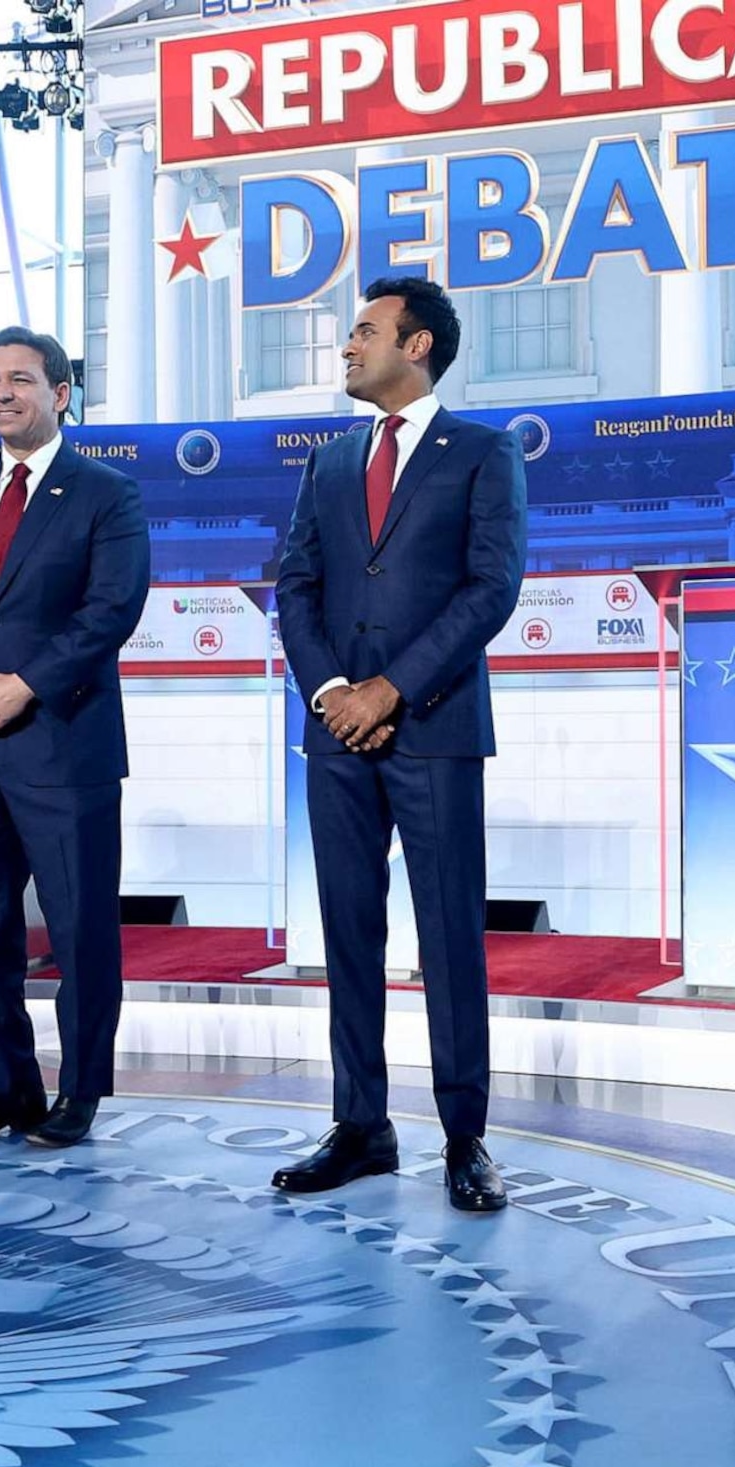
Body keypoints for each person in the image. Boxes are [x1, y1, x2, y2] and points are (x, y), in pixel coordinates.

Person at [268, 277, 527, 1214]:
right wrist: (334, 690)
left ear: (416, 346)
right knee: (348, 931)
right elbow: (293, 585)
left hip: (436, 728)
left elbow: (490, 590)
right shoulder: (329, 463)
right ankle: (360, 1125)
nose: (347, 347)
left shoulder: (484, 454)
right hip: (336, 737)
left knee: (450, 938)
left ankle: (466, 1138)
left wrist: (392, 687)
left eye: (365, 332)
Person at [0, 329, 150, 1149]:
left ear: (61, 393)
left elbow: (110, 610)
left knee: (80, 927)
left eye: (20, 379)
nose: (2, 392)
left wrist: (26, 685)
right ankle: (2, 1087)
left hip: (61, 741)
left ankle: (79, 1092)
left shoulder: (106, 492)